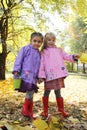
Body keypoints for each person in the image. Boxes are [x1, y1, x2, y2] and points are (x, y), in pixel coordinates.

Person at [38, 32, 79, 118]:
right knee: (46, 93)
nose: (51, 41)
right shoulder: (43, 52)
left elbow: (66, 56)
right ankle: (45, 111)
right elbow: (41, 64)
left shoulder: (59, 50)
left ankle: (61, 110)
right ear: (45, 40)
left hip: (58, 75)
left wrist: (73, 56)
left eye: (53, 40)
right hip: (49, 75)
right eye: (49, 40)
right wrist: (41, 75)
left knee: (58, 93)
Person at [12, 32, 43, 119]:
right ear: (30, 41)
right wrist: (16, 70)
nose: (37, 43)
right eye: (35, 41)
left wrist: (40, 76)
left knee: (31, 93)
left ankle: (29, 111)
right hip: (25, 75)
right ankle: (25, 109)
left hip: (33, 77)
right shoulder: (25, 49)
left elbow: (40, 66)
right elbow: (19, 59)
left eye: (39, 42)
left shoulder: (39, 53)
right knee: (29, 92)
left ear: (41, 43)